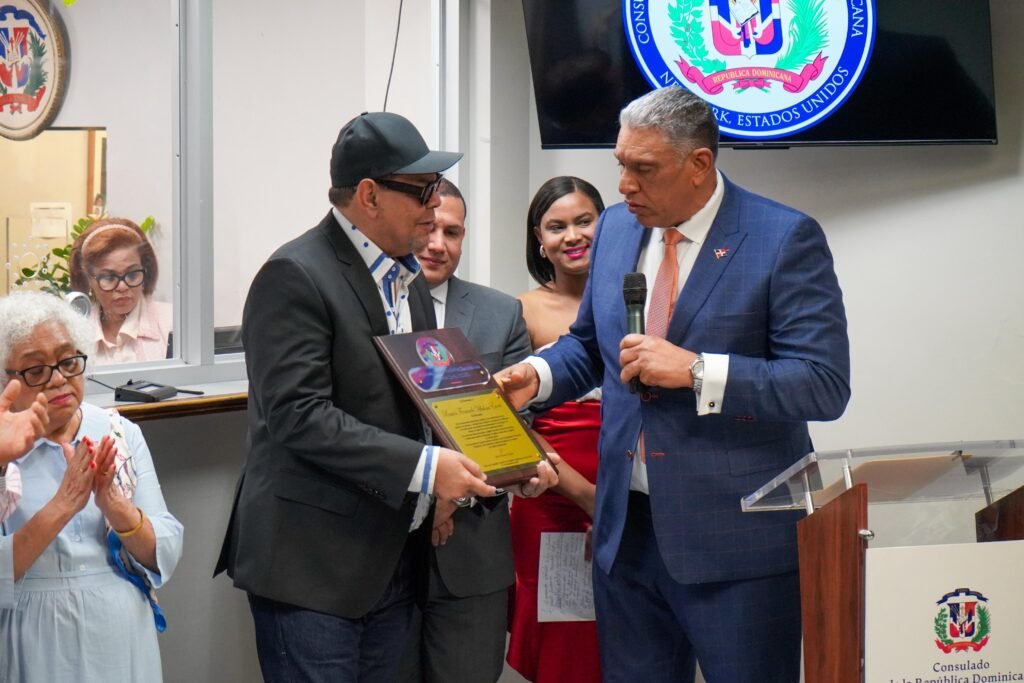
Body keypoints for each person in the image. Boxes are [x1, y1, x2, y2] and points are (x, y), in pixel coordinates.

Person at [497, 86, 851, 683]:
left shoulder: (782, 237)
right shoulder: (616, 229)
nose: (624, 186)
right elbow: (590, 343)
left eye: (643, 169)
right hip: (627, 535)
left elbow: (822, 383)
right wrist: (535, 376)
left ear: (699, 164)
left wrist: (696, 370)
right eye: (620, 165)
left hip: (737, 542)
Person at [214, 112, 557, 683]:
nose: (435, 204)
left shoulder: (407, 282)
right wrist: (430, 469)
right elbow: (298, 416)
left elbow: (434, 403)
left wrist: (505, 465)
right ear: (369, 196)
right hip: (313, 568)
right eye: (421, 190)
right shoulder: (295, 274)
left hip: (391, 560)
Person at [0, 290, 184, 681]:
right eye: (36, 370)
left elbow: (164, 552)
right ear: (5, 381)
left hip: (119, 631)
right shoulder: (3, 449)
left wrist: (116, 506)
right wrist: (61, 506)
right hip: (32, 635)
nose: (58, 379)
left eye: (69, 361)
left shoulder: (119, 432)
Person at [397, 178, 531, 682]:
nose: (438, 244)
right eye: (429, 229)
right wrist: (425, 490)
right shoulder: (370, 304)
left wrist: (455, 494)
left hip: (472, 549)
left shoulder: (501, 313)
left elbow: (516, 426)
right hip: (383, 548)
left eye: (452, 233)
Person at [506, 176, 606, 683]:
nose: (573, 236)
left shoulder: (635, 302)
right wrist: (585, 496)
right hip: (552, 498)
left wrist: (609, 501)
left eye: (584, 221)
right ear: (538, 240)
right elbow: (510, 418)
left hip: (630, 496)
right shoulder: (519, 311)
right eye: (556, 226)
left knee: (632, 637)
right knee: (564, 643)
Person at [69, 218, 172, 364]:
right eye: (109, 277)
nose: (122, 287)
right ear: (88, 279)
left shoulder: (172, 323)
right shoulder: (74, 333)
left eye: (132, 275)